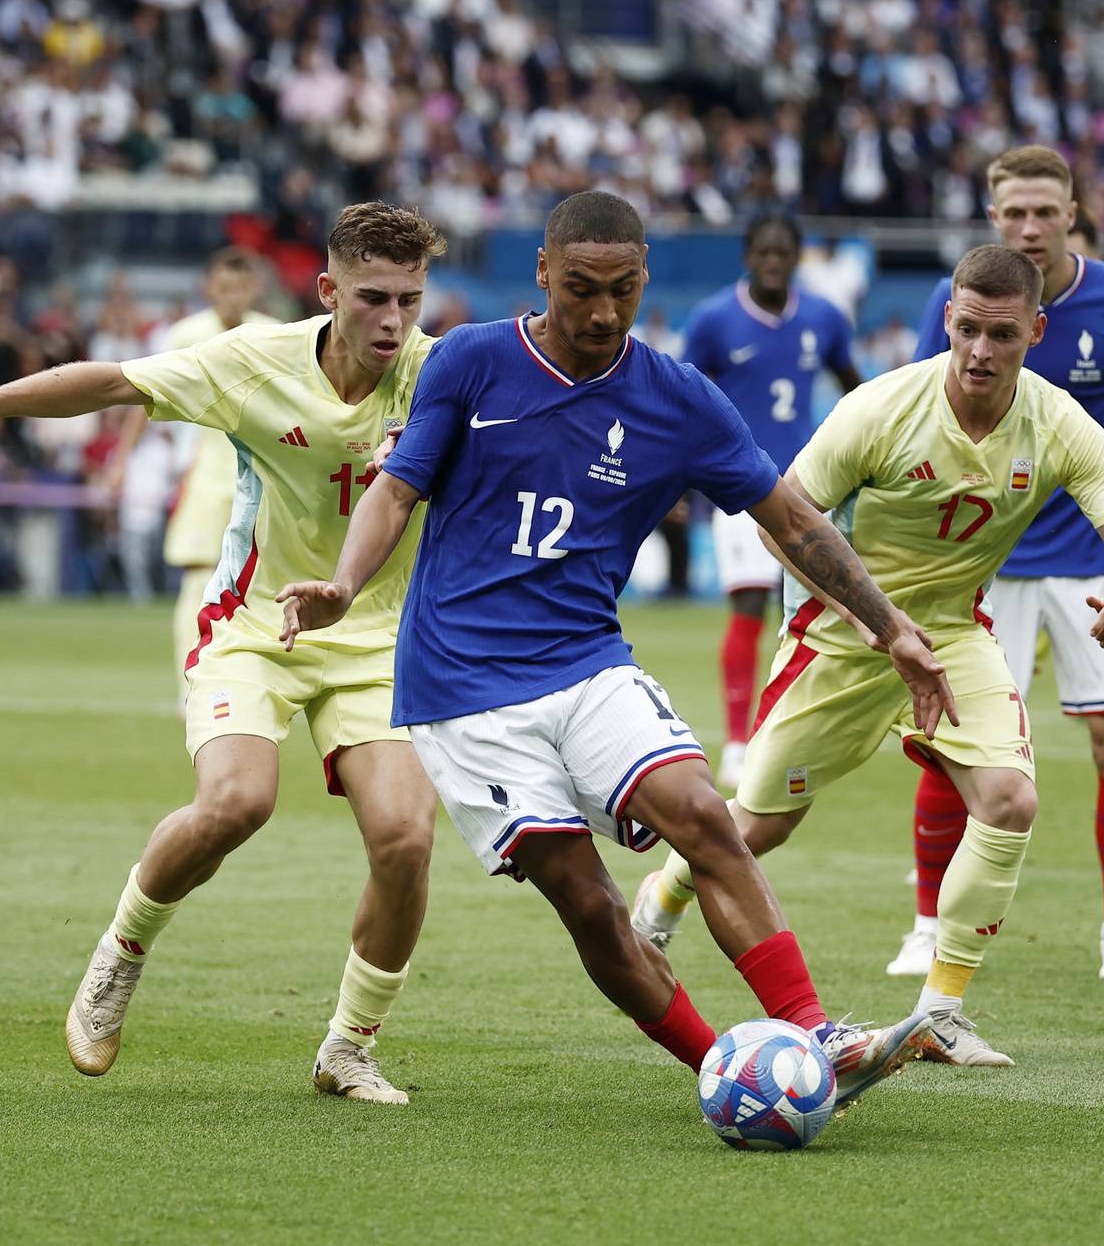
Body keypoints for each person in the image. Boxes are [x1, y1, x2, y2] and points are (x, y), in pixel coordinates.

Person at [279, 191, 946, 1108]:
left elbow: (791, 517)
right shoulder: (472, 363)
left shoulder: (678, 400)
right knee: (587, 898)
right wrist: (345, 586)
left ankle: (811, 1038)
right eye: (582, 289)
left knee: (703, 815)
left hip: (586, 660)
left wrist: (891, 626)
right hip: (462, 686)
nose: (601, 313)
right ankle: (735, 1073)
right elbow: (396, 491)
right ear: (544, 273)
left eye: (624, 291)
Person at [0, 203, 449, 1102]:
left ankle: (349, 1046)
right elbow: (108, 383)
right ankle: (120, 954)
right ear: (328, 289)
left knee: (406, 838)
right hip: (254, 625)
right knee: (236, 803)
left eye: (409, 302)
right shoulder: (252, 360)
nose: (392, 321)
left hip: (375, 636)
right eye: (373, 298)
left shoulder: (438, 373)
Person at [632, 244, 1104, 1065]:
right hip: (843, 633)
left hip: (952, 635)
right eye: (966, 330)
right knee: (760, 826)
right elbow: (786, 520)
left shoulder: (1060, 424)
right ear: (947, 319)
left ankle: (941, 1012)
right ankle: (664, 891)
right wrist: (881, 627)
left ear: (1037, 330)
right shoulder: (880, 409)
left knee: (1009, 801)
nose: (981, 352)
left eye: (1002, 334)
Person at [897, 146, 1104, 981]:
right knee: (950, 742)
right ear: (992, 215)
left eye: (1045, 211)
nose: (1029, 226)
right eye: (1014, 212)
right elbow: (911, 415)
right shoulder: (964, 303)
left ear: (1073, 208)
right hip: (982, 563)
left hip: (1090, 557)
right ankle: (924, 923)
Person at [682, 215, 862, 788]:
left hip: (809, 490)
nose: (774, 261)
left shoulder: (824, 318)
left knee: (816, 616)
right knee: (750, 608)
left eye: (784, 252)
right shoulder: (714, 320)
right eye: (764, 251)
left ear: (797, 257)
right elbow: (685, 400)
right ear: (748, 254)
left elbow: (856, 389)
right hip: (738, 489)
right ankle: (738, 740)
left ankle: (790, 730)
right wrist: (682, 478)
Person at [157, 248, 277, 679]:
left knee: (265, 581)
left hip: (266, 474)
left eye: (241, 287)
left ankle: (253, 676)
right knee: (198, 574)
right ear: (209, 288)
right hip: (207, 470)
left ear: (255, 288)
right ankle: (189, 681)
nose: (232, 296)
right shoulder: (184, 334)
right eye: (224, 287)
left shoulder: (276, 335)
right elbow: (145, 394)